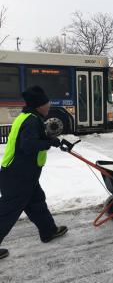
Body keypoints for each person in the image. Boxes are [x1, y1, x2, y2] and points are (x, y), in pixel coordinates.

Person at [0, 86, 68, 259]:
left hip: (23, 174)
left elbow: (34, 138)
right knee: (8, 212)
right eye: (47, 103)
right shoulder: (32, 120)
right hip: (18, 176)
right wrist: (47, 144)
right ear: (39, 106)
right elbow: (28, 145)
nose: (49, 106)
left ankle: (48, 231)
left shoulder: (28, 117)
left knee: (36, 201)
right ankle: (48, 231)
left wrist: (51, 140)